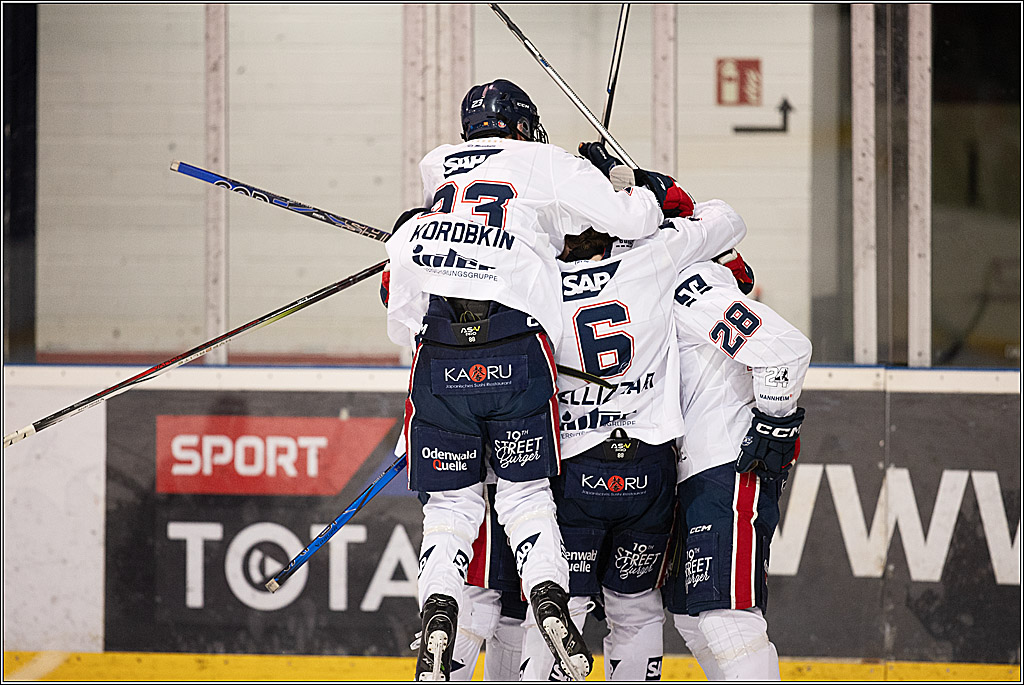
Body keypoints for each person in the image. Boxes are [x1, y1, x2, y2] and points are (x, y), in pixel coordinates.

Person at [383, 79, 694, 681]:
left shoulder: (434, 169)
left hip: (441, 355)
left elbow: (401, 319)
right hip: (517, 349)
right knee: (526, 498)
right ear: (525, 126)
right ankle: (550, 601)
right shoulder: (549, 162)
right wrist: (636, 185)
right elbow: (631, 220)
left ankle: (439, 609)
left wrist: (416, 234)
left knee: (450, 508)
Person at [443, 155, 750, 679]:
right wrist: (651, 187)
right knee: (635, 610)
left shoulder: (527, 281)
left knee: (561, 605)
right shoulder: (655, 256)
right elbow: (726, 221)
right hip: (649, 471)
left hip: (570, 470)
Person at [661, 253, 811, 681]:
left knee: (723, 616)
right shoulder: (661, 274)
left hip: (726, 464)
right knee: (694, 617)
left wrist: (773, 420)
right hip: (696, 471)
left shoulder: (693, 283)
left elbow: (785, 349)